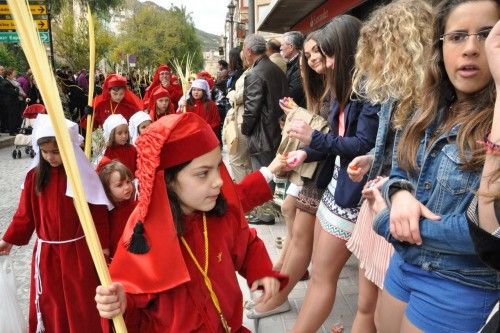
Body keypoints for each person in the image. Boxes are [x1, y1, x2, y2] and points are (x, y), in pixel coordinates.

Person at [95, 112, 288, 332]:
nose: (218, 181)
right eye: (203, 173)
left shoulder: (220, 214)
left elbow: (248, 245)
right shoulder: (143, 233)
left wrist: (261, 271)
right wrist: (122, 303)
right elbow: (133, 305)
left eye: (218, 167)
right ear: (167, 180)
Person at [371, 1, 500, 332]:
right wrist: (398, 196)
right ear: (439, 47)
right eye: (457, 37)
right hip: (404, 267)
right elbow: (399, 172)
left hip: (461, 284)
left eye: (486, 34)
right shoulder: (428, 107)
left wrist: (389, 223)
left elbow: (485, 231)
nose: (471, 48)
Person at [284, 15, 380, 332]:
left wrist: (314, 139)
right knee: (328, 278)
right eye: (315, 55)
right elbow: (338, 142)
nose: (320, 62)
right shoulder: (344, 85)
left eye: (326, 54)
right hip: (337, 190)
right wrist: (306, 151)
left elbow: (363, 143)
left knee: (327, 279)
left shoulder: (366, 87)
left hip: (353, 196)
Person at [345, 1, 434, 332]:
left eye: (384, 51)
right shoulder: (396, 93)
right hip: (381, 203)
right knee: (366, 307)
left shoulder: (438, 101)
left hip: (404, 218)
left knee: (385, 317)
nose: (378, 62)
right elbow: (389, 151)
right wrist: (369, 159)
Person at [0, 114, 111, 333]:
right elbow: (25, 215)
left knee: (80, 303)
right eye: (45, 152)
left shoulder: (81, 176)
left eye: (56, 151)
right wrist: (8, 240)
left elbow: (97, 211)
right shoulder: (35, 176)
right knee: (52, 303)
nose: (50, 157)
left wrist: (104, 246)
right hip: (48, 254)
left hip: (78, 254)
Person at [247, 29, 331, 319]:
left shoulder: (338, 85)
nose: (314, 59)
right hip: (315, 164)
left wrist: (303, 124)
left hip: (328, 173)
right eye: (308, 55)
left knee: (312, 254)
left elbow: (336, 134)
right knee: (293, 225)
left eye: (319, 52)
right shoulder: (318, 80)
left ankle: (278, 292)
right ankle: (277, 285)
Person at [241, 33, 288, 170]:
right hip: (275, 133)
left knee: (264, 179)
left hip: (263, 138)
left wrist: (245, 130)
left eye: (244, 50)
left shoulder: (255, 73)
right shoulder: (276, 69)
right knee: (273, 176)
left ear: (249, 51)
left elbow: (251, 110)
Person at [223, 50, 253, 182]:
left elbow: (239, 96)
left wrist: (231, 94)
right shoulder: (248, 71)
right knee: (242, 159)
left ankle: (243, 189)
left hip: (243, 118)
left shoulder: (251, 72)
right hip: (239, 116)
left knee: (236, 158)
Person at [99, 160, 137, 257]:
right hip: (117, 257)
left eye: (128, 182)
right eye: (120, 185)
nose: (127, 187)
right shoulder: (105, 213)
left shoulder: (137, 206)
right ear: (108, 190)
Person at [281, 31, 306, 109]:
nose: (280, 48)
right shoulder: (292, 63)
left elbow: (292, 95)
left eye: (282, 45)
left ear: (291, 47)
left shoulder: (300, 65)